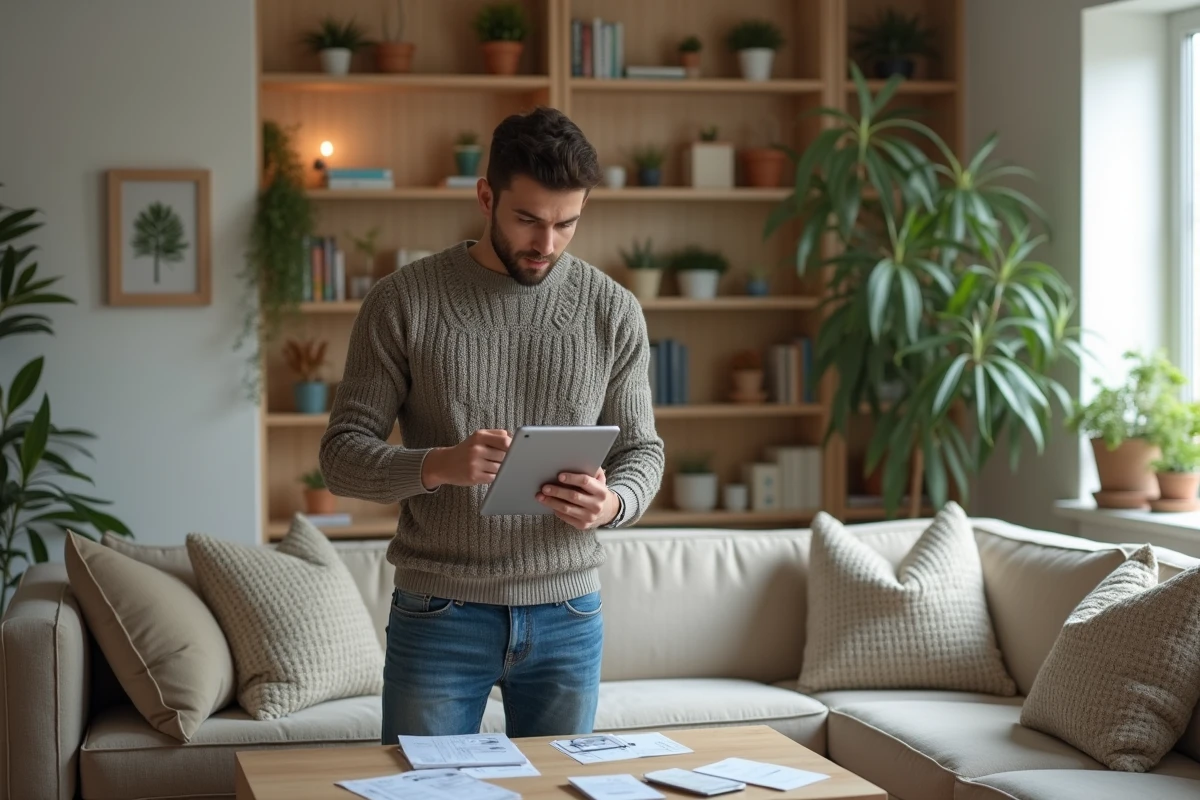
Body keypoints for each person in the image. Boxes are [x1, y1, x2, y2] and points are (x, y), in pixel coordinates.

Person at [318, 106, 665, 744]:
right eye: (528, 219)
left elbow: (643, 450)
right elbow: (341, 456)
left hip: (568, 609)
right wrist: (437, 465)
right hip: (439, 611)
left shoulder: (612, 309)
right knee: (424, 793)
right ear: (486, 197)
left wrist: (613, 502)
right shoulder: (403, 301)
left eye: (567, 224)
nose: (547, 244)